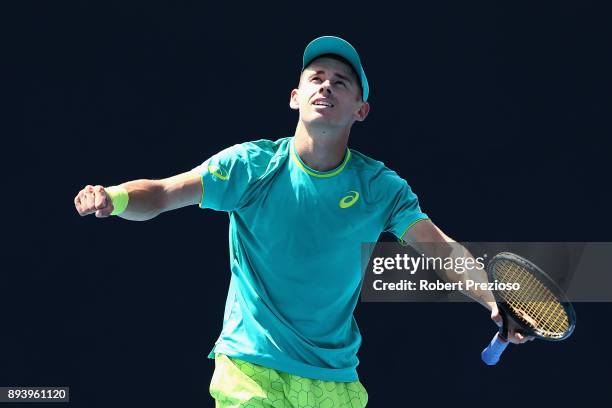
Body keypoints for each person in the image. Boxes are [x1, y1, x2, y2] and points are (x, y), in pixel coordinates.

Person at [74, 36, 531, 407]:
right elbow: (160, 193)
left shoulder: (380, 187)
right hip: (249, 367)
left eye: (341, 82)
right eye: (316, 78)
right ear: (296, 97)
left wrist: (493, 296)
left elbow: (441, 249)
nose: (325, 86)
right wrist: (113, 198)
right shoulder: (250, 167)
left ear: (360, 110)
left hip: (333, 380)